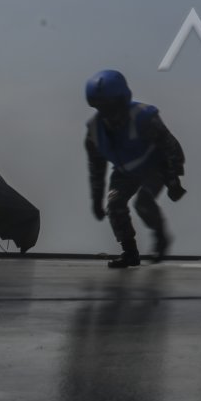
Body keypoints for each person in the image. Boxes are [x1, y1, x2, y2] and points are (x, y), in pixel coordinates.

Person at [84, 70, 186, 268]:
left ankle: (160, 236)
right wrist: (96, 200)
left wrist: (173, 179)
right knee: (114, 204)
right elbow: (96, 169)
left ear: (123, 101)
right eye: (102, 108)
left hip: (154, 166)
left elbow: (171, 146)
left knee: (143, 203)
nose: (109, 115)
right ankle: (129, 252)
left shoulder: (143, 118)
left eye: (112, 107)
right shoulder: (94, 132)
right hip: (124, 172)